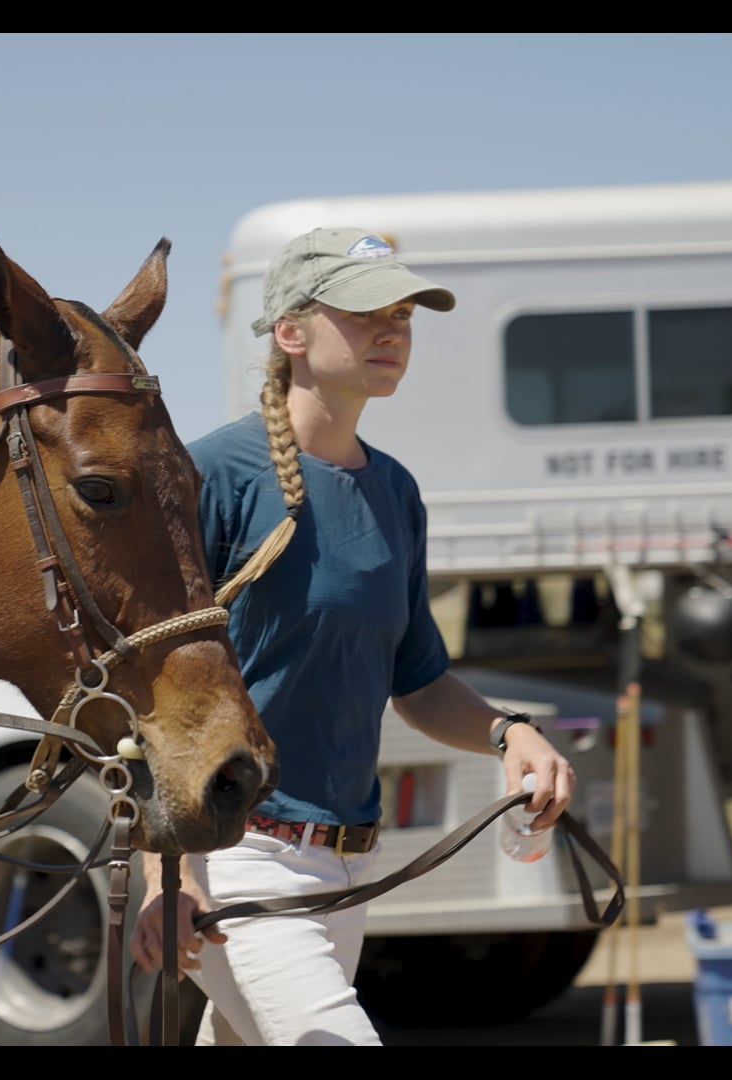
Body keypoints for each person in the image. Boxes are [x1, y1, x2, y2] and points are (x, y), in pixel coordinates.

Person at [129, 226, 577, 1045]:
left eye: (403, 314)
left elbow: (419, 683)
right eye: (367, 312)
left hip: (348, 869)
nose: (392, 331)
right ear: (290, 334)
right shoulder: (211, 479)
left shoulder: (395, 493)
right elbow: (150, 686)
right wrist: (169, 872)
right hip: (238, 861)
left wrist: (511, 735)